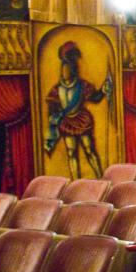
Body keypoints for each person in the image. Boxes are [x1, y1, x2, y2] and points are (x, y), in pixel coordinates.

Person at [44, 41, 113, 179]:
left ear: (73, 69)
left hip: (81, 120)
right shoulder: (57, 89)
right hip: (67, 122)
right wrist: (53, 118)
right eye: (63, 70)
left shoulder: (82, 85)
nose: (65, 72)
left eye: (67, 69)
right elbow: (52, 107)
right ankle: (76, 181)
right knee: (71, 152)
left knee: (89, 149)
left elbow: (95, 98)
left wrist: (104, 90)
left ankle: (100, 178)